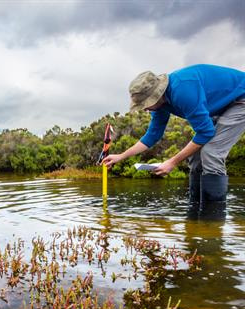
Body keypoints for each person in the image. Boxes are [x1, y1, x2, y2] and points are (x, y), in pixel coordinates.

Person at [103, 64, 245, 217]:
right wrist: (121, 156)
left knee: (211, 152)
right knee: (195, 156)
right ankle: (195, 212)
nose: (145, 109)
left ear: (157, 95)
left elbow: (205, 132)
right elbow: (153, 135)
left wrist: (172, 162)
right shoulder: (160, 105)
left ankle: (212, 220)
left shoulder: (183, 91)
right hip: (222, 104)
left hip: (240, 100)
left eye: (146, 104)